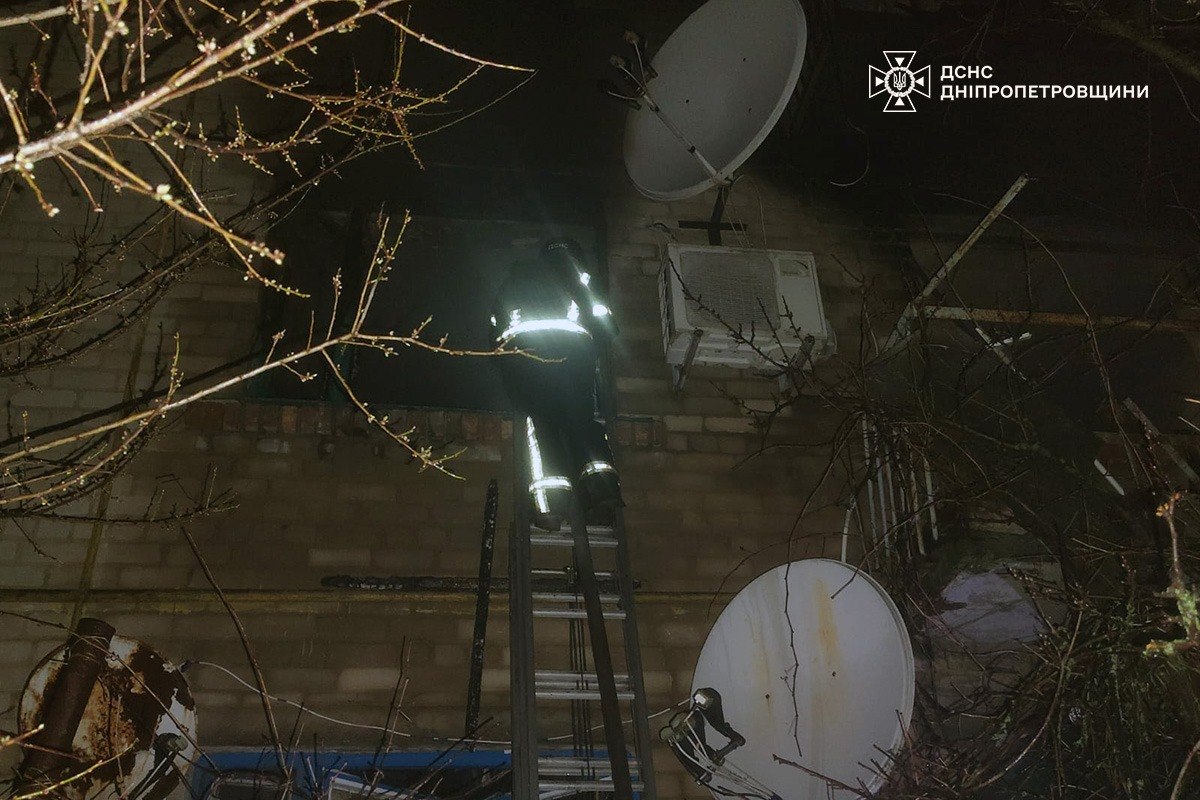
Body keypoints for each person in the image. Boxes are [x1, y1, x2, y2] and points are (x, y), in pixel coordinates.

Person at [491, 238, 621, 529]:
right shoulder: (581, 279)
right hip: (573, 361)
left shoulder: (515, 280)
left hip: (528, 362)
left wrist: (507, 364)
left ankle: (549, 506)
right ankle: (602, 494)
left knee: (540, 427)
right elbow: (606, 325)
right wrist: (592, 347)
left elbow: (496, 327)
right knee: (582, 422)